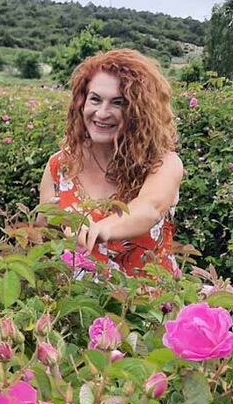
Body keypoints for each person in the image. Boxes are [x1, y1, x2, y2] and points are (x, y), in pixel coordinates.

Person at [39, 49, 184, 277]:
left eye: (118, 103)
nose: (102, 113)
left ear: (139, 111)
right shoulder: (60, 166)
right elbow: (44, 240)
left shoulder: (163, 163)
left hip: (147, 307)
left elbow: (149, 207)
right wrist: (50, 218)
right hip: (81, 306)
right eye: (95, 99)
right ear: (81, 103)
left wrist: (97, 229)